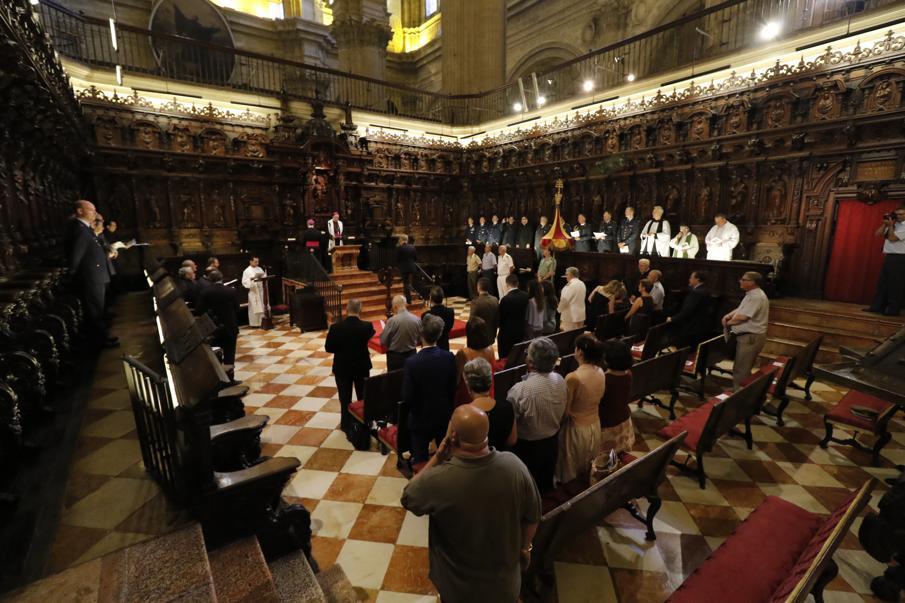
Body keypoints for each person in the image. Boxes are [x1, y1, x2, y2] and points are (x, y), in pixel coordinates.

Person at [401, 405, 541, 603]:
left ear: (453, 435)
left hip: (460, 589)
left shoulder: (439, 480)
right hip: (504, 585)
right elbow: (532, 516)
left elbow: (408, 497)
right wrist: (524, 548)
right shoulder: (514, 465)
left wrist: (438, 456)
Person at [508, 337, 567, 493]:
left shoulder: (520, 390)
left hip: (527, 448)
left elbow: (511, 422)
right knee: (545, 487)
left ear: (531, 362)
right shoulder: (560, 380)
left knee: (527, 489)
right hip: (552, 443)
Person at [404, 314, 457, 463]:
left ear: (421, 335)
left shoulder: (412, 362)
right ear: (439, 335)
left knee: (420, 461)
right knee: (445, 457)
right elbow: (452, 388)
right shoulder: (449, 357)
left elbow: (407, 396)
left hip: (420, 419)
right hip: (443, 416)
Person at [66, 200, 116, 348]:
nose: (94, 213)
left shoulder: (85, 228)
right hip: (90, 276)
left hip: (96, 275)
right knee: (94, 310)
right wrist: (73, 274)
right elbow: (76, 257)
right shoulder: (80, 229)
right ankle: (99, 341)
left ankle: (102, 337)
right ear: (80, 211)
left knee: (98, 309)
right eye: (91, 210)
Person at [556, 334, 606, 483]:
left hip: (576, 430)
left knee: (570, 472)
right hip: (594, 425)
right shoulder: (600, 371)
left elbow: (566, 410)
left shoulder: (573, 377)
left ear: (579, 352)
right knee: (585, 468)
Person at [325, 298, 375, 436]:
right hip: (361, 366)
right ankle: (364, 421)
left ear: (346, 310)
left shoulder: (335, 328)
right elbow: (369, 337)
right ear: (360, 310)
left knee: (344, 397)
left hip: (342, 367)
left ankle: (346, 424)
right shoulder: (367, 326)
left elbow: (328, 348)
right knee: (362, 396)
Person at [722, 271, 769, 390]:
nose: (740, 281)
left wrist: (727, 323)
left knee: (741, 369)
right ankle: (745, 392)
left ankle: (739, 397)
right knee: (743, 367)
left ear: (753, 282)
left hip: (750, 338)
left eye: (744, 279)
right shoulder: (752, 294)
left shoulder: (756, 297)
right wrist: (728, 315)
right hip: (749, 337)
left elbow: (743, 317)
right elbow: (741, 309)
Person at [196, 270, 242, 384]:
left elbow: (199, 310)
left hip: (213, 328)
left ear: (210, 280)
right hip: (229, 328)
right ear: (222, 278)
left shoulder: (205, 292)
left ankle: (217, 380)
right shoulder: (231, 291)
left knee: (215, 353)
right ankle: (230, 379)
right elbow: (237, 308)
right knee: (229, 354)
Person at [462, 358, 517, 450]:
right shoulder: (508, 407)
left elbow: (457, 446)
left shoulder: (462, 414)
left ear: (468, 385)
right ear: (490, 381)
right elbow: (512, 441)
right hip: (500, 460)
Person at [865, 206, 905, 316]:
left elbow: (892, 238)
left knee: (895, 284)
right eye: (897, 214)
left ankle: (893, 309)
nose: (898, 216)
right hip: (889, 256)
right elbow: (877, 234)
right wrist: (885, 224)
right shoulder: (893, 224)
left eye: (901, 214)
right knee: (883, 283)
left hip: (900, 258)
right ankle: (877, 307)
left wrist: (891, 226)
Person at [598, 340, 636, 453]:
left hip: (607, 423)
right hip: (624, 419)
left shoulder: (605, 379)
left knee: (603, 455)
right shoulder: (628, 374)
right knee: (618, 453)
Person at [454, 317, 497, 406]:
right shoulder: (491, 349)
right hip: (487, 393)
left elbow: (457, 380)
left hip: (469, 397)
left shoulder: (463, 353)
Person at [667, 270, 711, 349]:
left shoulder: (696, 292)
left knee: (684, 351)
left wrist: (672, 318)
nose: (689, 279)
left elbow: (687, 311)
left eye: (691, 278)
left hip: (691, 327)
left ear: (697, 279)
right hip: (701, 326)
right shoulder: (705, 290)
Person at [381, 294, 422, 371]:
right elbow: (420, 339)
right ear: (405, 304)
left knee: (396, 382)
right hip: (412, 355)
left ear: (395, 306)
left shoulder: (392, 321)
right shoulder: (417, 319)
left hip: (395, 359)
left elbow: (383, 341)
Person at [498, 274, 530, 359]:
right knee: (518, 357)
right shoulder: (526, 296)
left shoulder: (505, 299)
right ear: (518, 283)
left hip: (507, 333)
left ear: (506, 284)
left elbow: (500, 318)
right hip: (521, 331)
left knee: (505, 358)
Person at [425, 286, 455, 351]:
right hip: (445, 344)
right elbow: (449, 327)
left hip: (431, 346)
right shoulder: (450, 312)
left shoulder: (426, 315)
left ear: (430, 298)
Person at [470, 278, 499, 343]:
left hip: (479, 336)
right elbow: (497, 319)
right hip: (491, 334)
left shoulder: (475, 302)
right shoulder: (495, 300)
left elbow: (471, 321)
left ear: (478, 287)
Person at [557, 266, 587, 331]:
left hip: (570, 316)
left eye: (566, 274)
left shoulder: (570, 285)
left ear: (571, 275)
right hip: (580, 314)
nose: (566, 276)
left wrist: (559, 310)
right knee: (578, 335)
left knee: (568, 337)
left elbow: (564, 300)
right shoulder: (582, 283)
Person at [242, 257, 267, 328]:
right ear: (250, 261)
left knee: (262, 306)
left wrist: (262, 277)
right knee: (254, 307)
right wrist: (251, 279)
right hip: (254, 291)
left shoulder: (259, 269)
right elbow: (244, 282)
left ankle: (263, 322)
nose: (257, 263)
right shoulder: (247, 271)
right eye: (255, 261)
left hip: (261, 290)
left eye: (258, 262)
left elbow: (264, 277)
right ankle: (255, 323)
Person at [397, 234, 417, 304]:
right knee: (408, 283)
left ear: (401, 240)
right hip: (412, 267)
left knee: (406, 283)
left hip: (404, 268)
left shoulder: (400, 248)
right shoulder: (412, 247)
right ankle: (409, 294)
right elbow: (415, 258)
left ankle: (409, 300)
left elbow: (397, 259)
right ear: (407, 240)